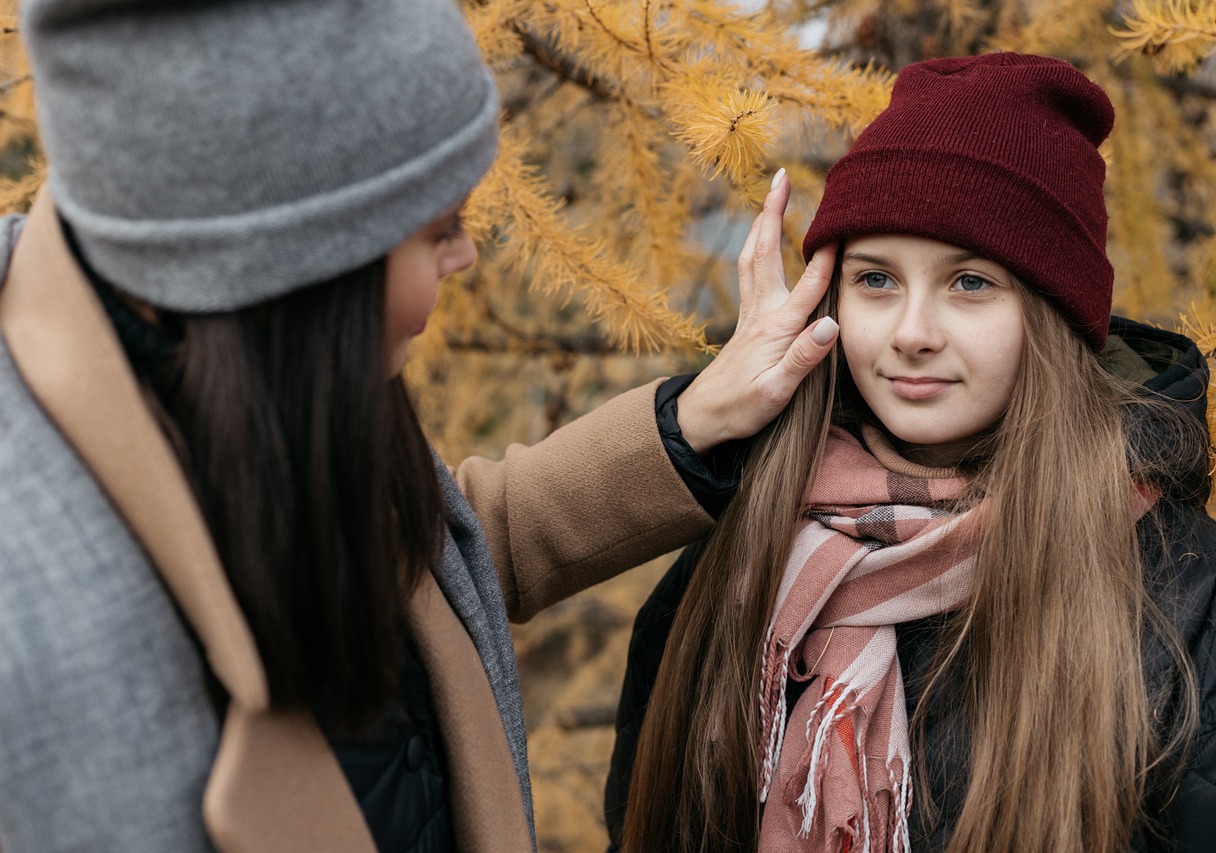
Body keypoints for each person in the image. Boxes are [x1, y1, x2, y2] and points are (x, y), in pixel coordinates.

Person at [0, 1, 841, 851]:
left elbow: (444, 562)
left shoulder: (239, 372)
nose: (465, 256)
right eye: (440, 228)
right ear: (305, 266)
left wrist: (696, 420)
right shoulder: (31, 648)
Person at [609, 53, 1216, 852]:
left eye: (969, 283)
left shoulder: (1193, 596)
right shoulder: (743, 543)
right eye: (876, 280)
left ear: (1053, 315)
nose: (912, 333)